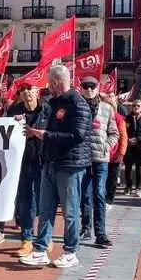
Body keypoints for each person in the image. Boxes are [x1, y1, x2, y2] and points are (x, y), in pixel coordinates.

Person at [20, 65, 92, 268]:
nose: (47, 86)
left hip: (70, 164)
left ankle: (70, 251)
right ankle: (40, 249)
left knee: (70, 210)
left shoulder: (78, 104)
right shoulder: (53, 103)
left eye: (49, 82)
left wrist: (45, 135)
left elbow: (78, 136)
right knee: (45, 209)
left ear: (55, 82)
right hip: (50, 162)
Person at [78, 76, 117, 247]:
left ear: (97, 87)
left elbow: (114, 133)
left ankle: (100, 233)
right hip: (83, 157)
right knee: (85, 195)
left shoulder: (107, 108)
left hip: (101, 158)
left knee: (99, 194)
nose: (89, 89)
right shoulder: (77, 107)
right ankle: (86, 227)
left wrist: (106, 146)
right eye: (85, 86)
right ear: (81, 88)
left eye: (92, 86)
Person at [8, 84, 45, 258]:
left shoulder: (47, 109)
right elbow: (2, 130)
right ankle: (26, 239)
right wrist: (12, 123)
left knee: (44, 202)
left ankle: (46, 237)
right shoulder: (13, 110)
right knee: (25, 202)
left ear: (37, 91)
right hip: (21, 163)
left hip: (43, 161)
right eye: (23, 90)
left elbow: (55, 132)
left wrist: (36, 133)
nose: (26, 92)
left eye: (30, 89)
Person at [102, 93, 126, 209]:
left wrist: (121, 153)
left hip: (115, 154)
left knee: (112, 178)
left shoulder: (118, 118)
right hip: (102, 153)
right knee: (102, 178)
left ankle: (109, 200)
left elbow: (123, 137)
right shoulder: (99, 116)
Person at [123, 100, 141, 197]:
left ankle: (138, 188)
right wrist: (127, 139)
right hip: (129, 147)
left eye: (138, 106)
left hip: (140, 147)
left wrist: (137, 139)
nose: (136, 107)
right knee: (128, 168)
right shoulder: (127, 118)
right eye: (134, 106)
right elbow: (123, 131)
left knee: (139, 168)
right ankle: (128, 186)